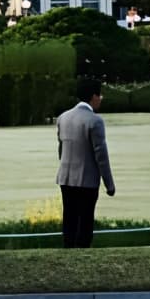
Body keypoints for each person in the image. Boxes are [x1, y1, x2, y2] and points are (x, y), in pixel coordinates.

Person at [55, 77, 115, 248]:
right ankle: (82, 253)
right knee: (86, 220)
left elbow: (61, 150)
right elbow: (101, 156)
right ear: (93, 96)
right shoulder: (95, 121)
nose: (101, 99)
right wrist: (109, 184)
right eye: (100, 95)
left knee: (70, 218)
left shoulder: (63, 118)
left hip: (66, 178)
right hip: (86, 180)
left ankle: (68, 251)